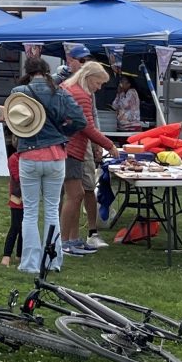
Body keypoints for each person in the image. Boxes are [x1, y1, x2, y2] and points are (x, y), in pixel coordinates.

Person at [16, 56, 81, 275]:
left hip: (29, 155)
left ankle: (30, 263)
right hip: (56, 156)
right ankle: (53, 261)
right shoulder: (60, 92)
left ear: (28, 71)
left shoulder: (19, 92)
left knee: (30, 212)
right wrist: (63, 132)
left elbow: (13, 122)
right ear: (46, 70)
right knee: (52, 210)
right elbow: (80, 120)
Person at [58, 62, 123, 259]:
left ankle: (73, 238)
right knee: (75, 195)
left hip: (66, 148)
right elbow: (87, 126)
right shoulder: (82, 95)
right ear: (88, 77)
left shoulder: (69, 89)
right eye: (98, 83)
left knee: (76, 195)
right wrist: (108, 145)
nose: (99, 88)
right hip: (72, 150)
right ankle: (64, 242)